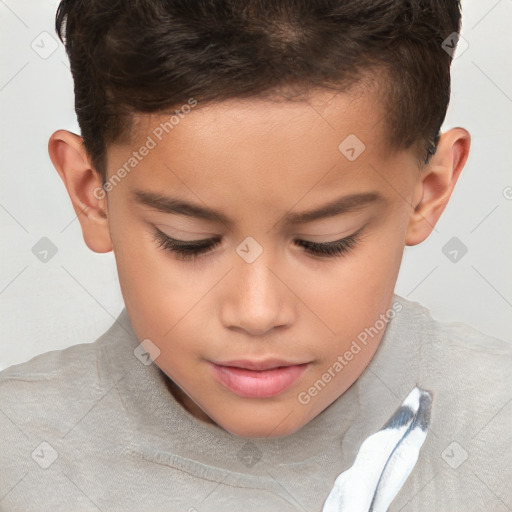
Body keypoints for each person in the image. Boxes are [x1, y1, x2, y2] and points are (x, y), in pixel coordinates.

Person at [1, 0, 510, 510]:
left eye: (324, 240)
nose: (257, 312)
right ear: (93, 195)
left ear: (429, 190)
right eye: (188, 240)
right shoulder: (17, 454)